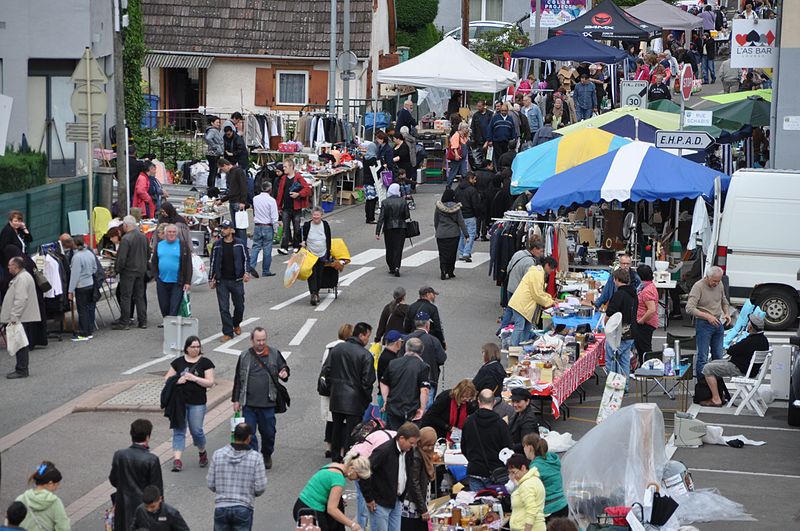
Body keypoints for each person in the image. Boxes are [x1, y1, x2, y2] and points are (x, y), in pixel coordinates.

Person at [231, 327, 289, 469]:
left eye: (264, 340)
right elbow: (238, 379)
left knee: (269, 433)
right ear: (252, 340)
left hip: (268, 403)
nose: (261, 343)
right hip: (249, 404)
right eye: (258, 340)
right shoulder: (244, 356)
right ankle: (254, 458)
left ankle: (267, 453)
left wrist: (284, 372)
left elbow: (284, 368)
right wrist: (236, 400)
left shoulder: (274, 353)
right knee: (249, 433)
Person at [323, 322, 376, 461]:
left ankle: (335, 458)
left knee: (337, 428)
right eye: (367, 336)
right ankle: (348, 458)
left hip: (337, 396)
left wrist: (332, 388)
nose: (368, 340)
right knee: (352, 432)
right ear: (361, 335)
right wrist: (366, 399)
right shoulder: (365, 355)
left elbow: (326, 371)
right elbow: (367, 381)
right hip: (355, 399)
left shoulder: (337, 349)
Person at [164, 335, 215, 472]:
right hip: (180, 402)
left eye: (198, 347)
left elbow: (210, 382)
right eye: (193, 347)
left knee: (196, 430)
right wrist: (177, 380)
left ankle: (202, 451)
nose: (196, 349)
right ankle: (177, 460)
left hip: (197, 403)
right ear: (186, 348)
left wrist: (194, 378)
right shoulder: (178, 362)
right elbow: (167, 379)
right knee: (179, 429)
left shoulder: (206, 363)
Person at [360, 423, 421, 531]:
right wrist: (369, 498)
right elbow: (364, 470)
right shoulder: (384, 451)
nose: (412, 446)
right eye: (411, 443)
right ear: (401, 438)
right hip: (380, 503)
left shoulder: (408, 451)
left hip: (396, 500)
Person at [208, 423, 267, 531]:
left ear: (234, 435)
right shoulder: (256, 458)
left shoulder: (218, 454)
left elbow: (211, 484)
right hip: (243, 507)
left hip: (221, 507)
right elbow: (260, 487)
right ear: (249, 438)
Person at [701, 313, 770, 407]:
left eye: (749, 323)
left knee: (707, 368)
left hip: (740, 368)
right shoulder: (763, 340)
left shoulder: (750, 341)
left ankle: (716, 399)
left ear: (751, 327)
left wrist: (734, 344)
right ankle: (720, 395)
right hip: (750, 368)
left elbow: (731, 350)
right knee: (713, 363)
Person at [293, 454, 372, 531]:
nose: (357, 479)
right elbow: (332, 509)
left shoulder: (334, 466)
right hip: (311, 510)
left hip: (302, 505)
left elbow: (324, 486)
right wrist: (352, 524)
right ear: (352, 469)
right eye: (358, 476)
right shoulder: (339, 479)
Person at [109, 419, 163, 531]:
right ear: (148, 437)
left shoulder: (119, 455)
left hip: (122, 506)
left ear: (131, 435)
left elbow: (113, 479)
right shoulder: (152, 460)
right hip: (144, 508)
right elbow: (156, 490)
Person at [461, 390, 513, 492]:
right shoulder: (500, 424)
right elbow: (508, 449)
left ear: (479, 401)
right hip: (495, 472)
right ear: (493, 402)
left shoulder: (469, 421)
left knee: (477, 504)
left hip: (475, 470)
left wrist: (473, 459)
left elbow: (464, 447)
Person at [686, 266, 731, 378]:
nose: (716, 283)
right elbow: (689, 308)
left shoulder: (719, 284)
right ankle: (701, 386)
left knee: (718, 357)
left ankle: (718, 386)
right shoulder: (698, 286)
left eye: (718, 280)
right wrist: (707, 316)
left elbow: (724, 300)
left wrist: (726, 313)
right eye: (714, 281)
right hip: (703, 324)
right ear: (707, 277)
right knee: (703, 357)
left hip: (717, 322)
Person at [209, 220, 251, 341]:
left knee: (239, 306)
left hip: (237, 280)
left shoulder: (240, 244)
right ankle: (227, 332)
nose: (223, 230)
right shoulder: (217, 245)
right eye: (222, 228)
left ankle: (236, 323)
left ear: (232, 230)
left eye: (225, 228)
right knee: (223, 308)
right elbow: (212, 262)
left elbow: (246, 259)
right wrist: (211, 278)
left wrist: (246, 272)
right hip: (221, 281)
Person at [1, 256, 41, 379]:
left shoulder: (22, 279)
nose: (8, 268)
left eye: (9, 265)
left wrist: (14, 316)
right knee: (21, 343)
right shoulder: (23, 277)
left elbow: (21, 299)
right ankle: (21, 368)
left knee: (20, 343)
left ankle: (22, 369)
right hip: (23, 316)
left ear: (15, 266)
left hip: (21, 317)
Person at [380, 337, 431, 429]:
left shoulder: (393, 363)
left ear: (406, 348)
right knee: (409, 438)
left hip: (393, 407)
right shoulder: (422, 366)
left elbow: (383, 383)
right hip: (412, 410)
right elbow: (424, 390)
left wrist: (386, 400)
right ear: (421, 351)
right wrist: (422, 409)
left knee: (392, 436)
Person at [320, 324, 354, 458]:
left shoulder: (329, 348)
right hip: (342, 388)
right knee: (342, 420)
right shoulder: (348, 350)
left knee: (330, 418)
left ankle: (329, 444)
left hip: (328, 387)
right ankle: (340, 447)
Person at [508, 256, 557, 346]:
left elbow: (539, 292)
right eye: (552, 268)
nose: (552, 271)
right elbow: (537, 294)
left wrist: (550, 299)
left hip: (524, 304)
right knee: (520, 327)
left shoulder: (538, 272)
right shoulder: (537, 274)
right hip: (521, 304)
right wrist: (550, 302)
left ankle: (523, 346)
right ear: (547, 265)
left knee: (527, 327)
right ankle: (512, 347)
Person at [403, 312, 447, 408]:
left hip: (408, 378)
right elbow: (442, 358)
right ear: (427, 324)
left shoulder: (406, 339)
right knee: (426, 406)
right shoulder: (433, 340)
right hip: (429, 379)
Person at [500, 237, 545, 331]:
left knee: (509, 310)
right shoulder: (530, 262)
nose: (541, 254)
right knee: (519, 316)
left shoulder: (518, 253)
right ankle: (514, 334)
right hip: (518, 290)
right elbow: (529, 279)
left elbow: (508, 267)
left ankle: (502, 330)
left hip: (510, 286)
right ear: (534, 249)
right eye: (540, 251)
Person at [113, 216, 149, 330]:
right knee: (139, 296)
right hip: (141, 270)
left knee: (126, 296)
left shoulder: (126, 239)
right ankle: (142, 321)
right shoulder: (143, 237)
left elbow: (122, 258)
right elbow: (148, 253)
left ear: (126, 225)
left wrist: (117, 269)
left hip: (128, 272)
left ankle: (125, 322)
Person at [523, 433, 568, 520]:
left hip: (550, 509)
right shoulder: (551, 459)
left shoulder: (535, 467)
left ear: (529, 447)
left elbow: (533, 491)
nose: (524, 450)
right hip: (563, 504)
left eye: (524, 446)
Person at [151, 224, 192, 318]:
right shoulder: (159, 245)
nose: (171, 234)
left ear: (176, 233)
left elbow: (188, 264)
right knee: (164, 305)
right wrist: (156, 276)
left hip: (177, 282)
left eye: (173, 232)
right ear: (165, 233)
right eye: (169, 232)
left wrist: (187, 282)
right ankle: (167, 321)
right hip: (162, 281)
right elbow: (154, 262)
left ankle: (172, 325)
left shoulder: (183, 245)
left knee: (174, 306)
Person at [14, 461, 69, 531]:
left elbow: (11, 524)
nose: (57, 488)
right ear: (50, 483)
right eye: (57, 484)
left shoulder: (21, 499)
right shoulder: (55, 502)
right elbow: (63, 527)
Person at [605, 268, 638, 379]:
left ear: (616, 279)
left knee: (611, 358)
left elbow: (609, 313)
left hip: (619, 333)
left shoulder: (619, 294)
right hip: (632, 330)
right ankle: (625, 385)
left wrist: (605, 325)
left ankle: (613, 385)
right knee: (624, 360)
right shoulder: (634, 294)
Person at [401, 426, 436, 530]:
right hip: (412, 505)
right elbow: (414, 484)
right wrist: (423, 509)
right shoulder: (416, 457)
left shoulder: (424, 455)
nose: (430, 448)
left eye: (432, 445)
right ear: (420, 442)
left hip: (419, 503)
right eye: (427, 445)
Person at [276, 159, 312, 254]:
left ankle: (297, 245)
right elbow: (280, 193)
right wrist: (279, 206)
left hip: (296, 207)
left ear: (291, 167)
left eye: (285, 167)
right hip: (285, 207)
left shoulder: (298, 177)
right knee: (285, 228)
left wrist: (298, 194)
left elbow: (307, 189)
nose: (284, 169)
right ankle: (284, 247)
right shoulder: (283, 178)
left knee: (296, 227)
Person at [376, 183, 409, 277]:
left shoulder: (385, 202)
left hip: (388, 227)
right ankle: (397, 266)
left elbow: (381, 218)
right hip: (401, 227)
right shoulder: (403, 201)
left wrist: (378, 231)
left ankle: (391, 266)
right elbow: (407, 215)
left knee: (389, 248)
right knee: (398, 249)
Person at [434, 188, 468, 280]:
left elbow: (436, 220)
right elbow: (461, 222)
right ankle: (450, 271)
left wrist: (438, 230)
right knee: (452, 253)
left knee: (442, 253)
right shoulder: (456, 207)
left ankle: (443, 270)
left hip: (441, 233)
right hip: (453, 233)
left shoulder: (439, 206)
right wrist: (466, 234)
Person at [67, 236, 97, 341]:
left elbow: (74, 275)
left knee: (82, 310)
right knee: (88, 308)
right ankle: (89, 330)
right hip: (90, 283)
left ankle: (83, 333)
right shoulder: (90, 253)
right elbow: (95, 268)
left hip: (81, 285)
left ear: (74, 244)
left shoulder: (76, 257)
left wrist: (70, 290)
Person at [506, 453, 546, 531]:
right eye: (509, 473)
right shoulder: (533, 479)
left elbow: (531, 510)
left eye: (513, 472)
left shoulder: (526, 485)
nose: (512, 476)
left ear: (523, 468)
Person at [302, 206, 332, 306]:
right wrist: (302, 243)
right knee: (311, 274)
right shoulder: (307, 225)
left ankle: (317, 291)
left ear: (321, 216)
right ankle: (313, 293)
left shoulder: (325, 225)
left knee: (320, 274)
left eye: (317, 215)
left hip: (322, 253)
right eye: (314, 215)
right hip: (310, 253)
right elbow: (303, 237)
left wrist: (328, 253)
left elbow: (328, 239)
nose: (315, 217)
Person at [250, 180, 280, 277]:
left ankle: (251, 265)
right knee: (267, 249)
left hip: (258, 225)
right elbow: (274, 217)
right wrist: (275, 230)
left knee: (256, 247)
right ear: (270, 190)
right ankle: (265, 270)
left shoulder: (255, 199)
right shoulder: (271, 201)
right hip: (268, 226)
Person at [217, 158, 249, 243]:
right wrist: (222, 200)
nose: (223, 171)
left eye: (222, 169)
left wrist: (243, 201)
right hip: (232, 201)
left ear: (225, 165)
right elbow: (231, 191)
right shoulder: (231, 173)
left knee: (240, 227)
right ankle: (238, 244)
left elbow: (243, 186)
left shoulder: (238, 171)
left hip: (238, 202)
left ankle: (242, 245)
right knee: (236, 226)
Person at [635, 264, 659, 364]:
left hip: (645, 323)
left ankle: (648, 369)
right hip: (644, 322)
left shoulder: (647, 290)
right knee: (640, 347)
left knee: (644, 348)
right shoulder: (647, 286)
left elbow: (651, 309)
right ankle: (642, 367)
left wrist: (642, 320)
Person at [454, 172, 481, 264]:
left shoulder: (457, 189)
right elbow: (475, 205)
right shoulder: (472, 190)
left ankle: (461, 253)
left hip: (459, 215)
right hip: (470, 215)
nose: (475, 181)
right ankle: (466, 252)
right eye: (474, 179)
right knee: (471, 234)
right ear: (470, 179)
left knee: (461, 235)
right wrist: (478, 214)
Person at [376, 330, 405, 415]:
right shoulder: (391, 359)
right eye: (401, 342)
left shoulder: (385, 355)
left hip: (383, 395)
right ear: (397, 343)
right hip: (387, 397)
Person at [447, 122, 470, 187]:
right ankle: (448, 186)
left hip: (462, 158)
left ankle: (465, 186)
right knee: (453, 173)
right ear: (461, 128)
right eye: (466, 128)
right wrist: (456, 155)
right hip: (456, 158)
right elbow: (454, 147)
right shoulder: (456, 135)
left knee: (464, 173)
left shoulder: (464, 136)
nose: (467, 129)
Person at [204, 115, 224, 188]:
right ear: (212, 123)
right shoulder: (213, 130)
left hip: (213, 154)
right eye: (217, 122)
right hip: (213, 154)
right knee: (213, 171)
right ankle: (211, 187)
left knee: (213, 171)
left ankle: (211, 186)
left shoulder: (212, 130)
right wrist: (215, 146)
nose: (218, 124)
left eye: (219, 122)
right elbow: (208, 138)